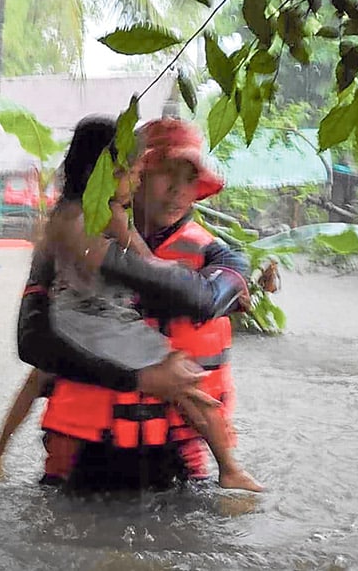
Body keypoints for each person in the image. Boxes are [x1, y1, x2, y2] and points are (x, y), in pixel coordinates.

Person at [13, 115, 257, 492]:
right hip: (82, 446)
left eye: (189, 177)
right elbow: (33, 343)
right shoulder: (66, 239)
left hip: (179, 453)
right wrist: (140, 378)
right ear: (133, 173)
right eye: (164, 172)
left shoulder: (221, 257)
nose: (177, 189)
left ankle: (230, 469)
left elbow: (204, 300)